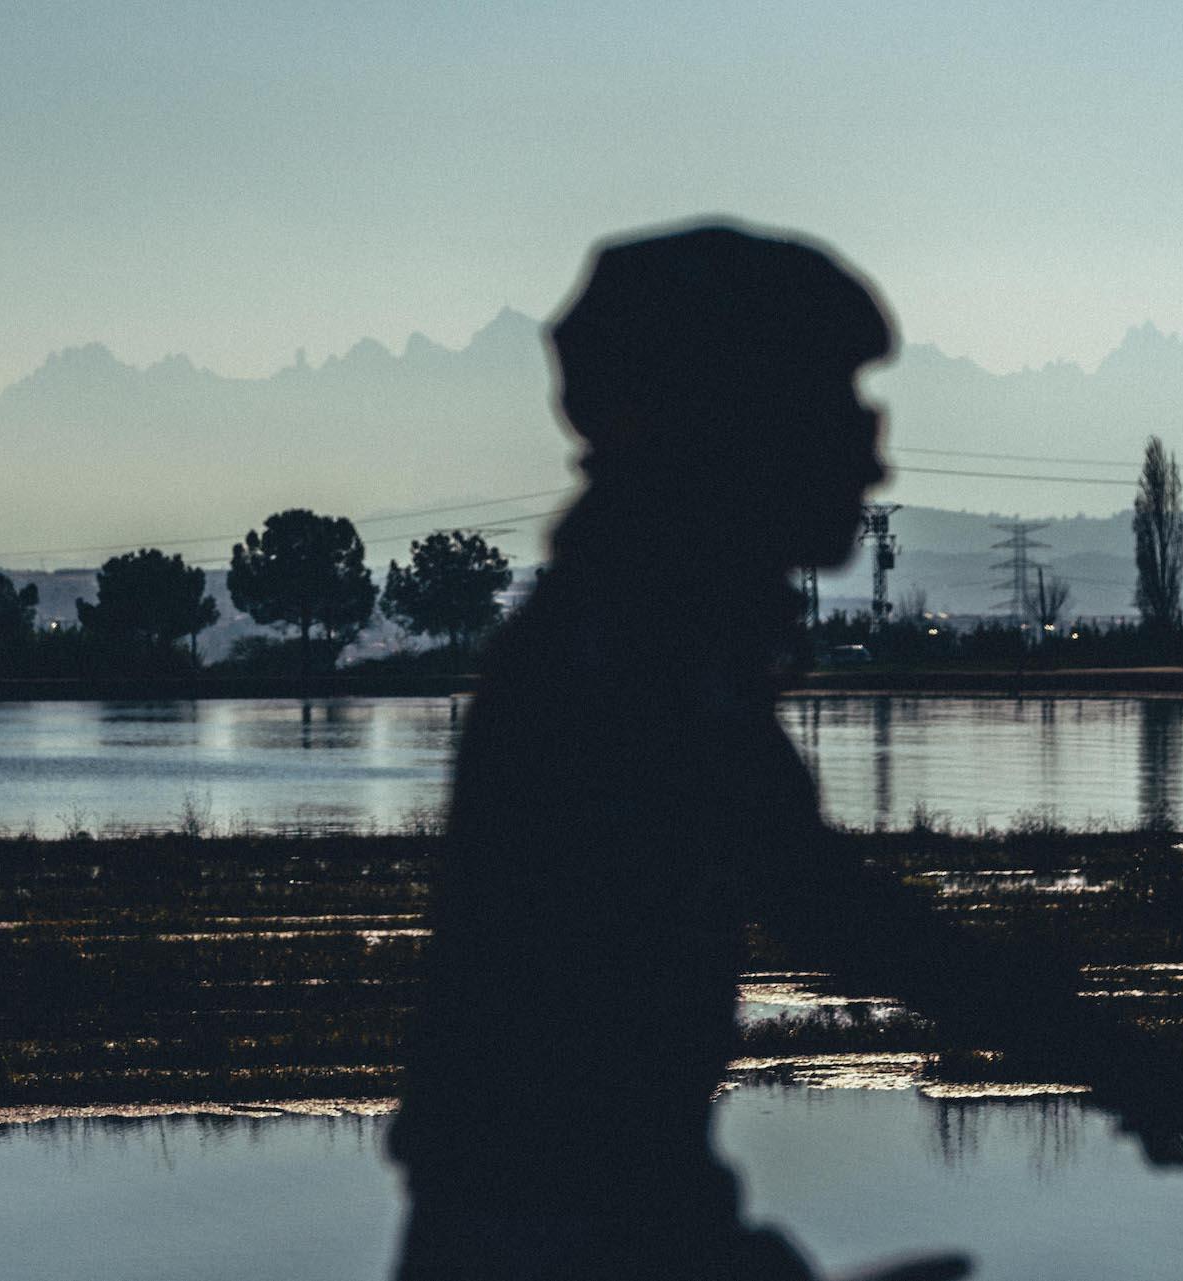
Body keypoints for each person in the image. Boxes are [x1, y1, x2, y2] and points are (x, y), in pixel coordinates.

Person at [388, 222, 972, 1281]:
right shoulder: (628, 668)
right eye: (837, 405)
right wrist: (1146, 1077)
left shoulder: (638, 637)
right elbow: (836, 905)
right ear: (739, 431)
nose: (875, 454)